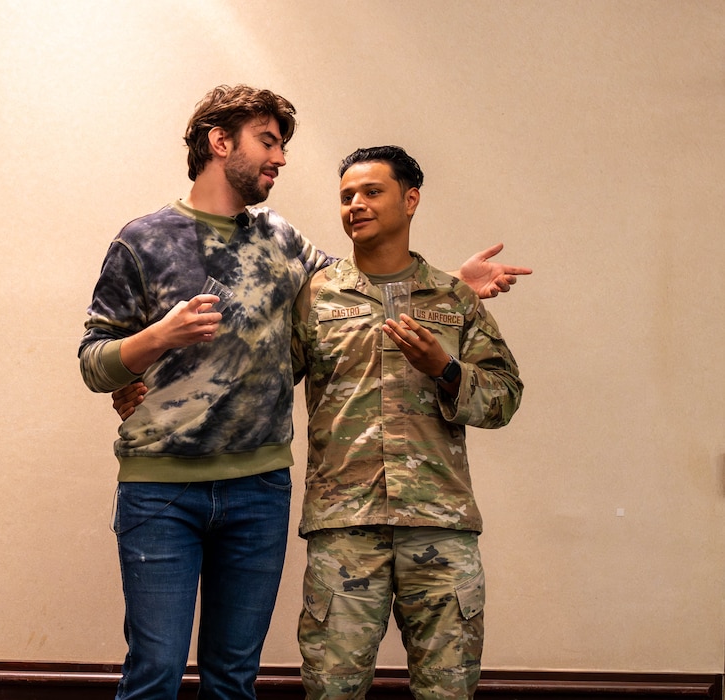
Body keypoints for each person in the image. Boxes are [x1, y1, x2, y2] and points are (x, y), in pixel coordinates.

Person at [81, 84, 530, 700]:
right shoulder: (146, 240)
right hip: (186, 493)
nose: (282, 160)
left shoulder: (286, 242)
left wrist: (453, 288)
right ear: (220, 142)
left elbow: (370, 293)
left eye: (372, 192)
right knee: (156, 672)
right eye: (269, 142)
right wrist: (146, 359)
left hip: (289, 498)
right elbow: (108, 357)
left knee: (235, 679)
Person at [290, 146, 523, 700]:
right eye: (347, 196)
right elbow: (261, 381)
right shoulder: (315, 297)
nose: (356, 205)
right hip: (345, 525)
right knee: (331, 691)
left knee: (448, 692)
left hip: (439, 524)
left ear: (410, 199)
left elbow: (505, 397)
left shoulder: (453, 299)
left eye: (372, 192)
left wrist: (444, 369)